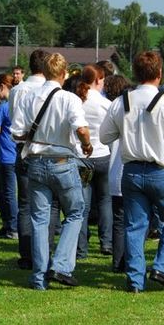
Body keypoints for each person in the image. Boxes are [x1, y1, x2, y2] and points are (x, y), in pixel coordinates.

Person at [99, 51, 164, 293]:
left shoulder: (121, 102)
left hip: (132, 171)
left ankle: (136, 280)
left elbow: (104, 136)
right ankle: (162, 266)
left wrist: (126, 131)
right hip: (162, 171)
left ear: (135, 74)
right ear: (159, 74)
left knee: (135, 226)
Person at [12, 52, 92, 290]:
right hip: (62, 162)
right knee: (76, 212)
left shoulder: (28, 96)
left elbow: (17, 133)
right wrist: (86, 145)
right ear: (64, 73)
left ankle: (39, 276)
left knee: (39, 220)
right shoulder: (69, 99)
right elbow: (81, 129)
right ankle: (61, 265)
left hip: (36, 161)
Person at [8, 49, 48, 270]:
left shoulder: (18, 90)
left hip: (23, 147)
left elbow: (15, 120)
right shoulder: (51, 90)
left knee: (24, 204)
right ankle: (43, 251)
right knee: (45, 205)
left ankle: (26, 254)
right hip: (46, 150)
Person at [74, 64, 112, 258]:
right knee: (105, 201)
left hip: (82, 157)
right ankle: (106, 242)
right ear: (98, 80)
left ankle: (81, 248)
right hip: (103, 155)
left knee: (82, 205)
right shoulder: (105, 103)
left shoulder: (77, 100)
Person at [103, 74, 132, 273]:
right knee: (133, 221)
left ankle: (118, 263)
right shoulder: (122, 108)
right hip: (126, 169)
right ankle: (129, 261)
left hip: (115, 172)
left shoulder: (112, 109)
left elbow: (105, 137)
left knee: (120, 222)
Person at [0, 74, 18, 239]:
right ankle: (8, 222)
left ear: (2, 86)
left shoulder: (4, 106)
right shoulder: (16, 105)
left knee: (8, 192)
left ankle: (13, 227)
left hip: (7, 155)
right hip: (14, 154)